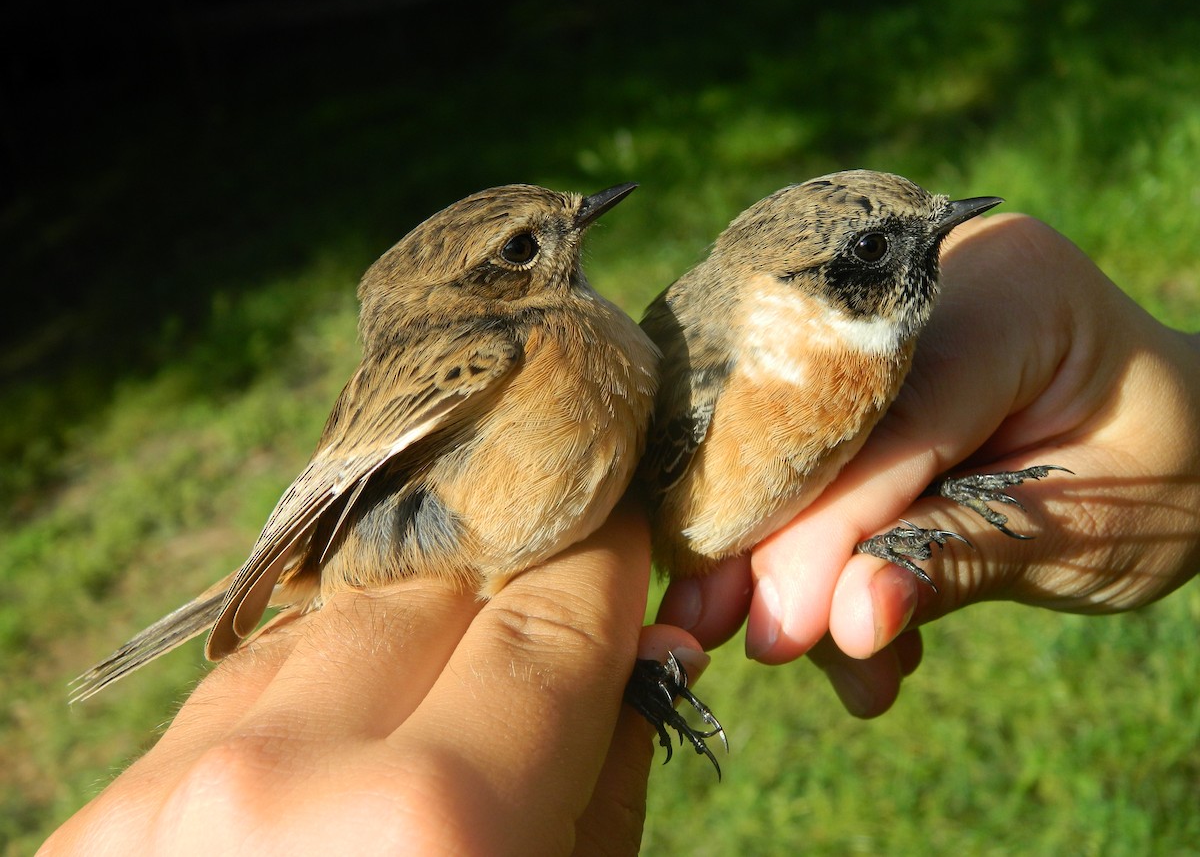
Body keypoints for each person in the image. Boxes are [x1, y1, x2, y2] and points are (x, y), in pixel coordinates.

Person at [42, 213, 1200, 855]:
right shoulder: (484, 352)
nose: (572, 236)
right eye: (531, 246)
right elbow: (331, 488)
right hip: (420, 563)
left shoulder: (597, 339)